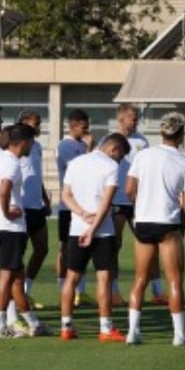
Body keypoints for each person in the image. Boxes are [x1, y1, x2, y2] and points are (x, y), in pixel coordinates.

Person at [125, 113, 185, 346]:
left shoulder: (143, 155)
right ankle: (179, 335)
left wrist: (141, 207)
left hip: (143, 222)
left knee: (140, 280)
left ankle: (132, 332)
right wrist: (181, 228)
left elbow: (129, 189)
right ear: (182, 135)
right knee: (174, 281)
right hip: (168, 223)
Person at [58, 133, 128, 342]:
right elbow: (106, 204)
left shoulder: (76, 162)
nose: (120, 160)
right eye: (121, 156)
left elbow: (65, 195)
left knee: (72, 277)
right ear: (113, 150)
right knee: (104, 278)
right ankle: (106, 328)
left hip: (77, 228)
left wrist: (81, 214)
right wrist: (93, 227)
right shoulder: (111, 167)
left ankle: (66, 326)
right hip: (102, 230)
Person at [0, 123, 48, 339]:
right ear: (23, 142)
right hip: (10, 228)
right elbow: (4, 189)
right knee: (6, 277)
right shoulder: (12, 163)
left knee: (17, 280)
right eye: (32, 141)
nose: (33, 146)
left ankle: (34, 324)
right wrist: (5, 212)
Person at [108, 103, 151, 305]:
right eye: (132, 119)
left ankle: (157, 290)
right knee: (114, 245)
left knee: (148, 242)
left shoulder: (142, 141)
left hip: (138, 201)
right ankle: (114, 291)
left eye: (136, 119)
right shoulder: (109, 141)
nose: (135, 123)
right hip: (116, 200)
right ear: (121, 119)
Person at [54, 108, 95, 301]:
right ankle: (64, 286)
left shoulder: (80, 144)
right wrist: (89, 150)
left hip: (83, 205)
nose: (87, 132)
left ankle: (81, 290)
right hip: (68, 206)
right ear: (73, 126)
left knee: (84, 246)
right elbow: (79, 170)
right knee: (66, 248)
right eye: (84, 128)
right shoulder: (66, 146)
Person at [16, 110, 51, 306]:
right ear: (23, 124)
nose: (38, 128)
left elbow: (36, 175)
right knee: (16, 255)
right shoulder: (14, 146)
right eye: (35, 124)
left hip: (36, 206)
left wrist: (44, 198)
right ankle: (14, 296)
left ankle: (25, 290)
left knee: (42, 248)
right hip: (20, 207)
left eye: (39, 124)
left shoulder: (36, 146)